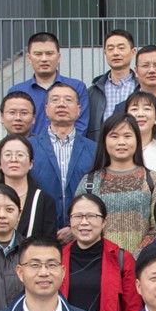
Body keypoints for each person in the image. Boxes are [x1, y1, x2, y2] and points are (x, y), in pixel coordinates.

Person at [77, 114, 156, 255]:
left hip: (142, 263)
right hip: (99, 262)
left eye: (127, 136)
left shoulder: (153, 180)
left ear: (137, 140)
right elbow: (80, 224)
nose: (121, 142)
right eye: (114, 136)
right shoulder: (89, 182)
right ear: (104, 140)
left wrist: (134, 258)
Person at [61, 193, 141, 311]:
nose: (84, 222)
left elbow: (133, 310)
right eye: (78, 216)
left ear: (104, 222)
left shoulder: (122, 259)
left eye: (91, 216)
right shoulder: (58, 258)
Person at [33, 82, 98, 231]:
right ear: (46, 108)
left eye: (68, 100)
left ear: (79, 110)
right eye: (55, 100)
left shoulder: (94, 149)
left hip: (83, 230)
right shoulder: (30, 147)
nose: (61, 104)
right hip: (39, 231)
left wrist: (73, 227)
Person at [0, 133, 57, 241]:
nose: (14, 159)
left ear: (31, 163)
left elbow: (49, 243)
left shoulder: (44, 201)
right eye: (8, 155)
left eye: (20, 155)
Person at [0, 91, 40, 191]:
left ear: (34, 118)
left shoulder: (44, 148)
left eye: (24, 113)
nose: (18, 118)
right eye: (12, 112)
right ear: (1, 117)